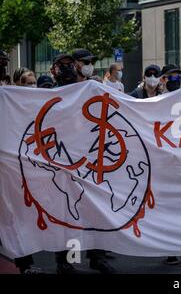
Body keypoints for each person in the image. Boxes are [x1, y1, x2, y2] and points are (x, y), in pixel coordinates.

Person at [50, 54, 116, 274]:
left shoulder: (92, 88)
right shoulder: (53, 92)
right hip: (65, 160)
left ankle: (97, 257)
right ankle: (67, 261)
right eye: (82, 62)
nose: (86, 66)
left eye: (90, 63)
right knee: (69, 214)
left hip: (91, 159)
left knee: (96, 210)